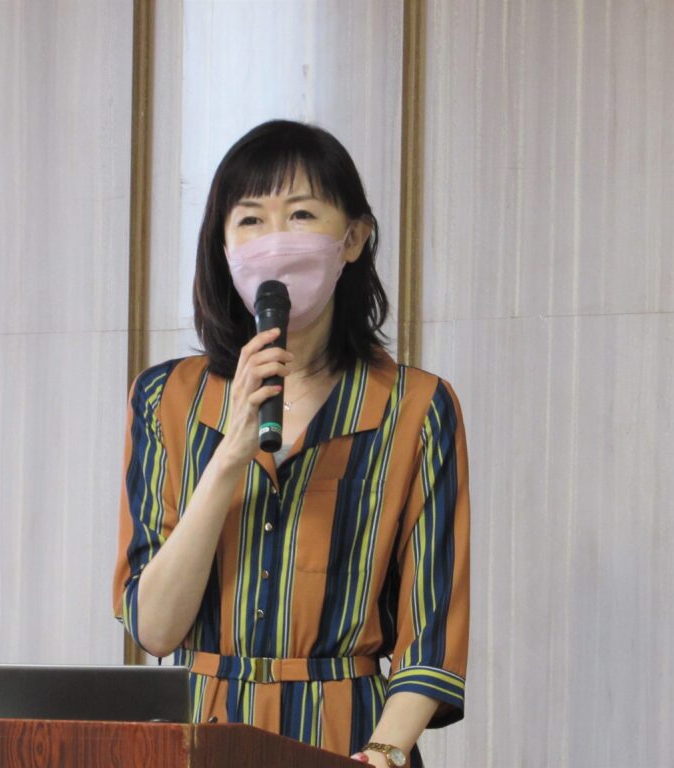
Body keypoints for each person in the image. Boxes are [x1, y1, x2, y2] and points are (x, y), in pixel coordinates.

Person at [113, 120, 469, 768]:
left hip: (352, 741)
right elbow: (155, 629)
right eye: (250, 220)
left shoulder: (416, 407)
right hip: (204, 740)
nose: (274, 240)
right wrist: (230, 456)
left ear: (353, 238)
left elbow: (432, 632)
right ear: (223, 245)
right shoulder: (165, 398)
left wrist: (382, 752)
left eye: (301, 214)